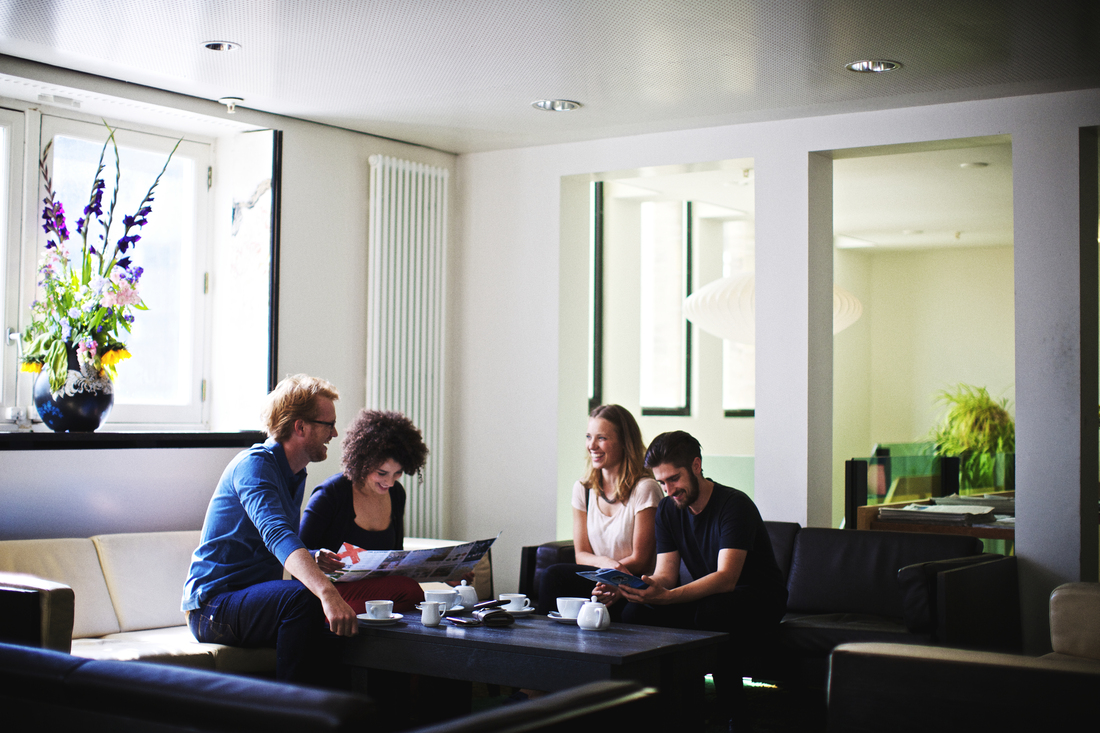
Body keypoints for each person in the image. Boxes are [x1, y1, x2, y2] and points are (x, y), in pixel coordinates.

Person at [600, 430, 787, 731]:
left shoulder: (734, 505)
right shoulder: (668, 509)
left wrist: (668, 597)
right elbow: (666, 574)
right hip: (713, 597)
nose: (669, 490)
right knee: (635, 612)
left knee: (713, 612)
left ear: (696, 466)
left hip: (759, 598)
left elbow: (726, 578)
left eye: (674, 479)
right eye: (662, 482)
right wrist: (634, 587)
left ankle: (735, 717)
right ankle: (656, 713)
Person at [182, 374, 358, 685]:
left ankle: (336, 705)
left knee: (327, 612)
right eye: (327, 424)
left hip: (245, 600)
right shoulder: (255, 465)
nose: (334, 433)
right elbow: (277, 534)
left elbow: (270, 541)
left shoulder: (295, 472)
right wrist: (326, 592)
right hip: (212, 607)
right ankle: (288, 707)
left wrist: (312, 556)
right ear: (300, 427)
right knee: (306, 599)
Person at [534, 404, 663, 618]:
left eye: (601, 438)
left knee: (632, 613)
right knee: (553, 575)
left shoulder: (645, 488)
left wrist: (612, 576)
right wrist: (608, 567)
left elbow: (641, 560)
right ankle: (542, 639)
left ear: (624, 442)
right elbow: (581, 555)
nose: (591, 445)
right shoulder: (583, 489)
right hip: (601, 577)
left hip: (634, 579)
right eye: (588, 437)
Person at [299, 409, 428, 614]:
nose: (389, 482)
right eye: (382, 473)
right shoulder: (330, 494)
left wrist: (444, 574)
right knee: (408, 591)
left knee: (416, 600)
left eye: (397, 474)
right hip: (327, 593)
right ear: (362, 463)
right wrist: (317, 557)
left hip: (374, 591)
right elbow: (299, 556)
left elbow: (396, 557)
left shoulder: (396, 494)